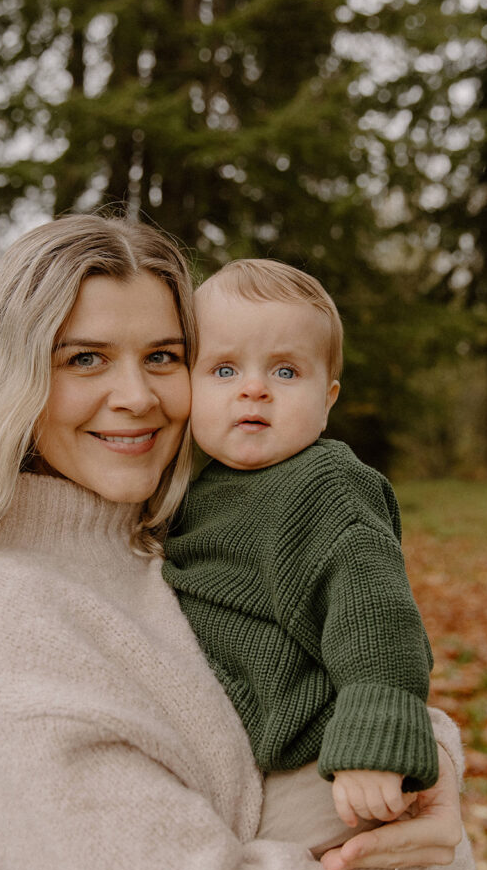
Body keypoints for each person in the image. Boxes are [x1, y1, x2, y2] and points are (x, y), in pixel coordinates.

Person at [0, 215, 480, 870]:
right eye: (84, 358)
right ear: (12, 378)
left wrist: (425, 758)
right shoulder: (1, 617)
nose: (136, 397)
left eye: (162, 357)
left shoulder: (165, 542)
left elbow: (339, 661)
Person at [163, 258, 437, 836]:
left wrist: (374, 738)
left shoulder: (325, 485)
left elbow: (376, 613)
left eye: (285, 371)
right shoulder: (196, 493)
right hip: (243, 761)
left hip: (322, 760)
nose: (254, 388)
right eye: (224, 369)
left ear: (328, 398)